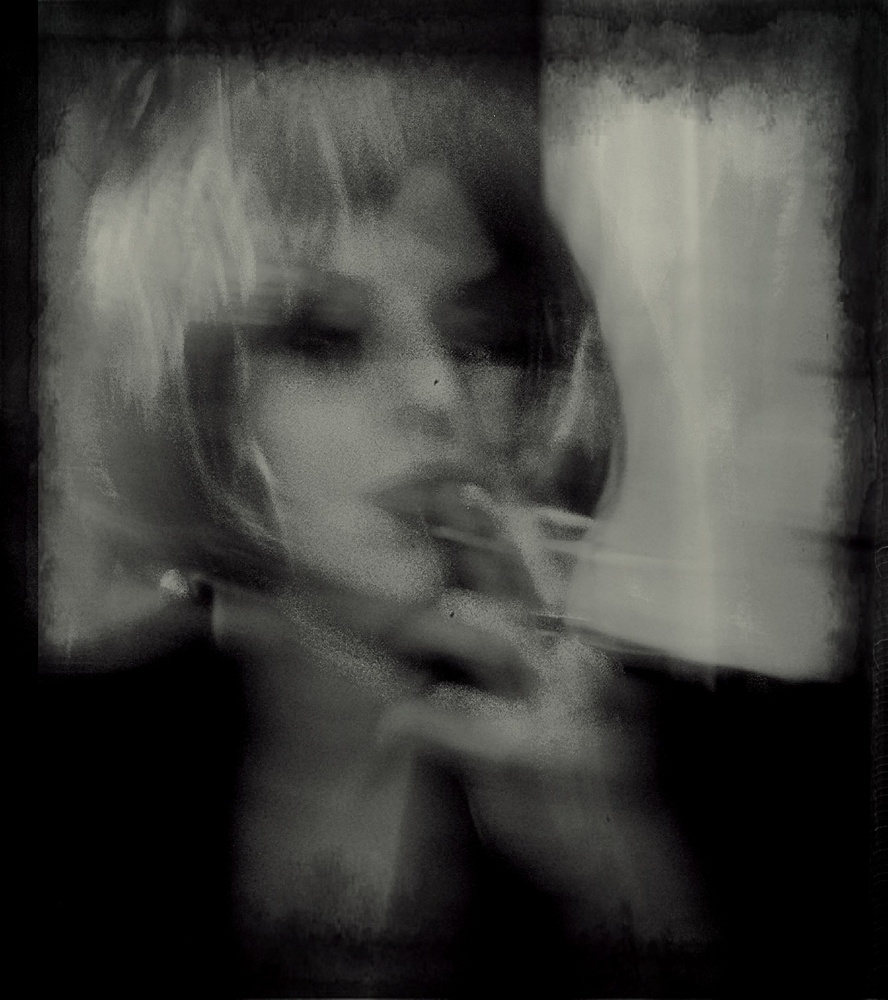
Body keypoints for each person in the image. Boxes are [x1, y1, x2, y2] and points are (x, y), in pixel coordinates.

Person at [38, 51, 867, 999]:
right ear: (197, 395)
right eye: (327, 338)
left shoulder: (761, 776)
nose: (440, 397)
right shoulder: (77, 758)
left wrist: (621, 881)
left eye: (482, 337)